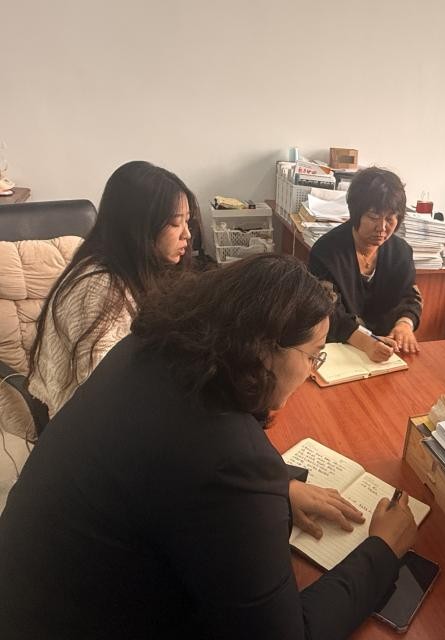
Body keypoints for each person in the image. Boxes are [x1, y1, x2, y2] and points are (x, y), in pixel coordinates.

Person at [0, 254, 417, 639]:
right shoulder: (233, 460)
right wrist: (382, 551)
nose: (311, 371)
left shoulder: (146, 349)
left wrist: (281, 488)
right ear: (264, 350)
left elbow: (169, 469)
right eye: (313, 356)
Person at [28, 160, 197, 417]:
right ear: (138, 227)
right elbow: (103, 391)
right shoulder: (99, 288)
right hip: (79, 421)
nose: (187, 234)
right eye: (175, 223)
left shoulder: (137, 269)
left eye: (187, 222)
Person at [308, 167, 422, 362]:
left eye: (390, 218)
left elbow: (410, 297)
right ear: (356, 213)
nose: (382, 227)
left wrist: (405, 324)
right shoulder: (326, 252)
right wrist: (366, 342)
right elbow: (327, 311)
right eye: (373, 217)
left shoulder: (401, 252)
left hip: (386, 350)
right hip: (337, 349)